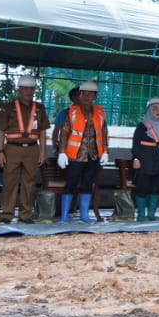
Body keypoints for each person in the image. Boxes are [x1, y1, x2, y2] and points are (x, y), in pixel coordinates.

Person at [0, 75, 48, 223]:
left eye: (31, 89)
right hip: (12, 148)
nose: (28, 92)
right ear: (19, 90)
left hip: (32, 149)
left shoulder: (40, 108)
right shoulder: (9, 107)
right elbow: (1, 132)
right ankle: (6, 214)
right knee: (10, 181)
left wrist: (43, 152)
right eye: (25, 88)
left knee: (29, 183)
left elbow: (43, 132)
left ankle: (25, 215)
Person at [57, 80, 109, 223]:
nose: (87, 96)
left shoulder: (99, 112)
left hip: (93, 155)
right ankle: (64, 216)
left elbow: (104, 132)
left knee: (87, 184)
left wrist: (105, 151)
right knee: (70, 184)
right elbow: (64, 132)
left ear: (95, 96)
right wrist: (62, 152)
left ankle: (84, 215)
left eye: (90, 94)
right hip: (75, 156)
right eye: (84, 93)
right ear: (79, 95)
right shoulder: (72, 112)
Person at [130, 97, 159, 222]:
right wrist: (136, 157)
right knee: (142, 187)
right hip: (145, 161)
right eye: (154, 108)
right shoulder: (142, 126)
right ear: (149, 110)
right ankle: (141, 214)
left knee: (156, 188)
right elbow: (136, 143)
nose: (158, 111)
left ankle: (151, 214)